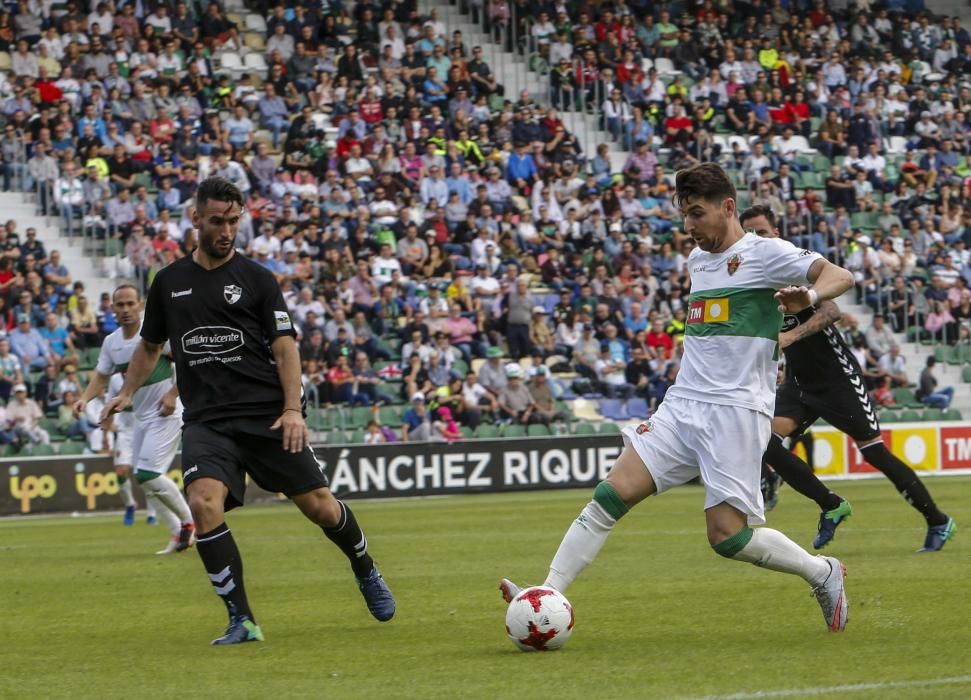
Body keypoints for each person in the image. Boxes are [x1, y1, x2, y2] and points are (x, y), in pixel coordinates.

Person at [500, 164, 853, 633]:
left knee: (727, 537)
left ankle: (820, 571)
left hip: (735, 411)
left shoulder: (765, 253)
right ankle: (546, 593)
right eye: (684, 215)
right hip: (683, 404)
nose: (689, 226)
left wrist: (806, 294)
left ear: (728, 208)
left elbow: (840, 275)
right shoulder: (697, 260)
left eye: (696, 213)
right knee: (610, 495)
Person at [102, 178, 395, 645]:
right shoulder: (169, 282)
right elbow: (151, 345)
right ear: (195, 218)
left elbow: (285, 349)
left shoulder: (257, 279)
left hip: (267, 416)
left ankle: (365, 568)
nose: (226, 230)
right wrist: (126, 390)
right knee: (202, 503)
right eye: (217, 221)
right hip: (207, 421)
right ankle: (242, 619)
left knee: (320, 508)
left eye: (234, 221)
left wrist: (293, 408)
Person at [740, 205, 955, 552]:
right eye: (748, 233)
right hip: (798, 383)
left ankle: (938, 521)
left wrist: (791, 337)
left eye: (761, 232)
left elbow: (832, 310)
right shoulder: (754, 282)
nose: (755, 239)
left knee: (874, 453)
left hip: (838, 380)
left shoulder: (794, 268)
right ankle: (830, 504)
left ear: (776, 234)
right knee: (763, 442)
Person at [77, 284, 193, 555]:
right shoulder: (111, 343)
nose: (126, 309)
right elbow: (101, 376)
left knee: (148, 473)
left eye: (131, 304)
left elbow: (188, 362)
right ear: (113, 309)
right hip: (140, 418)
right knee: (146, 479)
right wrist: (85, 398)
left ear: (140, 305)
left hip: (166, 413)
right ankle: (178, 534)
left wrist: (173, 395)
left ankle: (190, 523)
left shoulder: (153, 334)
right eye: (121, 305)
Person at [107, 371, 157, 526]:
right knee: (121, 471)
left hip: (144, 427)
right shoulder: (115, 379)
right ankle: (130, 505)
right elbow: (110, 401)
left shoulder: (144, 373)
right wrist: (108, 422)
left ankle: (152, 513)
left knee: (147, 474)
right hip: (125, 431)